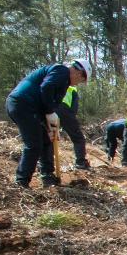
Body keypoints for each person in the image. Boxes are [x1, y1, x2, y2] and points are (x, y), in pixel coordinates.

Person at [7, 59, 91, 187]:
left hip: (31, 107)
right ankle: (21, 182)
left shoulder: (64, 83)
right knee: (34, 144)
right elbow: (46, 87)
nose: (78, 84)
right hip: (23, 103)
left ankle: (47, 176)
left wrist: (49, 127)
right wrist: (49, 111)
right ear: (79, 73)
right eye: (81, 80)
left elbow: (49, 100)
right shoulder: (62, 71)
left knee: (46, 140)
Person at [56, 83, 92, 171]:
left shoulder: (52, 83)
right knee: (78, 138)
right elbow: (74, 109)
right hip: (65, 109)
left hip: (50, 108)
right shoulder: (72, 89)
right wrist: (70, 123)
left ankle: (45, 168)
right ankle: (80, 163)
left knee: (47, 139)